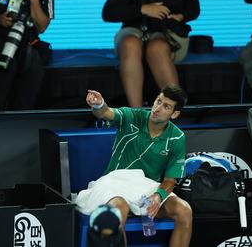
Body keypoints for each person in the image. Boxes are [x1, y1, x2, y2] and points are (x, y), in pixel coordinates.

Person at [76, 85, 192, 247]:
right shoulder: (133, 116)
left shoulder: (177, 138)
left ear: (175, 114)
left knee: (184, 211)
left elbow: (170, 180)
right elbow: (106, 113)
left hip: (146, 190)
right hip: (114, 183)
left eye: (166, 106)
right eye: (158, 101)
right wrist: (98, 104)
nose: (158, 108)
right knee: (118, 210)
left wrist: (158, 196)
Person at [102, 0, 201, 108]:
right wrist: (143, 9)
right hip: (134, 29)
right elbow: (108, 12)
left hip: (167, 33)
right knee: (130, 44)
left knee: (157, 48)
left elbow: (194, 9)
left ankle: (173, 111)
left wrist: (180, 16)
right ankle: (136, 114)